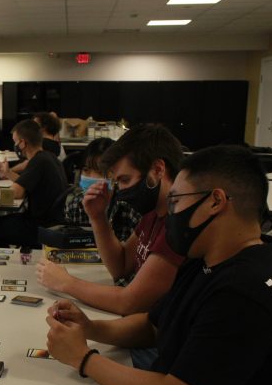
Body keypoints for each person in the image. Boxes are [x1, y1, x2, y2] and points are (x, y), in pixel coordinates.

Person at [17, 145, 272, 385]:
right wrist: (91, 327)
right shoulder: (207, 259)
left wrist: (84, 359)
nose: (169, 213)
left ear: (216, 201)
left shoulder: (243, 292)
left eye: (177, 202)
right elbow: (153, 326)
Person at [36, 124, 185, 318]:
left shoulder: (178, 225)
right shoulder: (154, 213)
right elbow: (121, 267)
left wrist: (65, 282)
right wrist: (98, 217)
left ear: (157, 169)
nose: (121, 190)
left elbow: (128, 302)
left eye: (125, 180)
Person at [0, 119, 68, 248]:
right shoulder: (48, 157)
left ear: (22, 143)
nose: (15, 145)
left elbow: (17, 193)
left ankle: (0, 264)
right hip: (52, 222)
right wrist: (7, 172)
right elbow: (26, 182)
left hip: (40, 226)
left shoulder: (38, 162)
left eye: (15, 141)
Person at [65, 137, 142, 243]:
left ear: (115, 175)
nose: (91, 177)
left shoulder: (130, 208)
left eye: (100, 172)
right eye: (86, 170)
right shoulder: (75, 205)